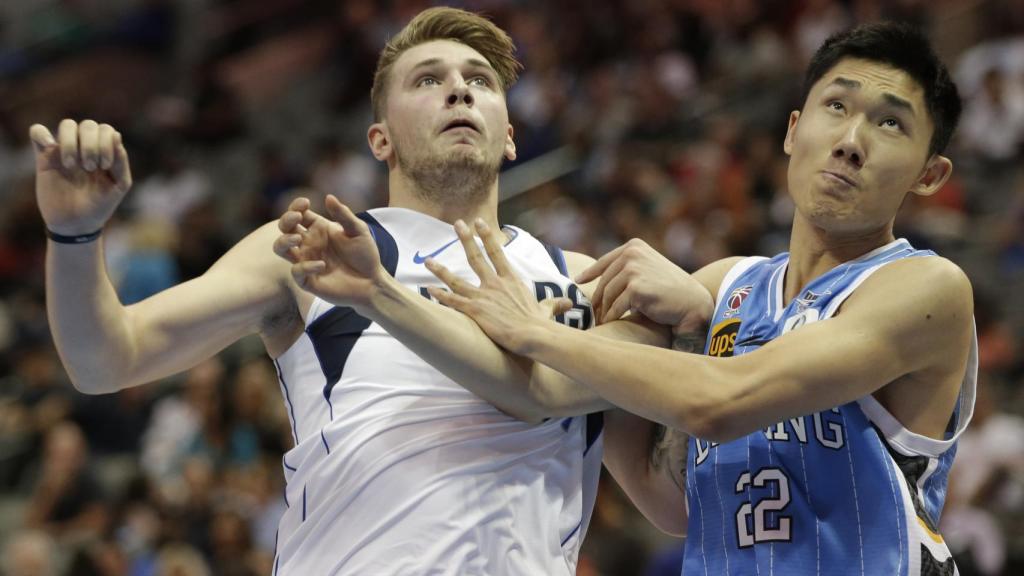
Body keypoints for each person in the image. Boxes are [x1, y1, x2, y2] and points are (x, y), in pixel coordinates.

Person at [290, 22, 977, 575]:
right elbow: (659, 495)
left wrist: (541, 332)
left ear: (929, 173)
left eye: (891, 125)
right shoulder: (723, 286)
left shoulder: (926, 289)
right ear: (795, 130)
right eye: (837, 106)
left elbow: (719, 402)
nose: (852, 142)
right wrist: (660, 333)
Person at [33, 7, 695, 575]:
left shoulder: (588, 280)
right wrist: (74, 238)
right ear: (379, 138)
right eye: (429, 80)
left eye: (480, 82)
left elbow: (670, 504)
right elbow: (105, 360)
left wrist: (692, 335)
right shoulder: (311, 251)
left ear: (511, 134)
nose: (459, 92)